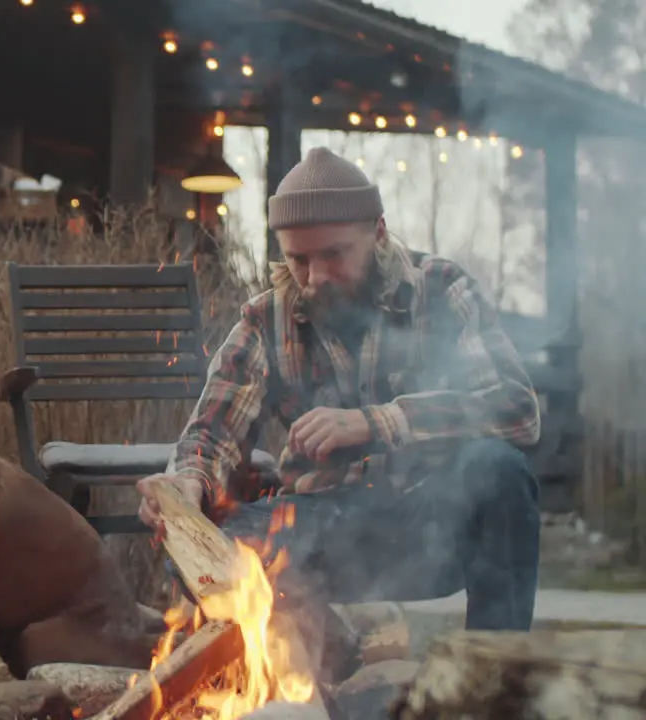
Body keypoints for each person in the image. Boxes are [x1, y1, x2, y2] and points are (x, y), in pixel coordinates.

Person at [137, 147, 542, 634]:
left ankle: (493, 675)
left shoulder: (441, 288)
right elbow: (210, 436)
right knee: (193, 544)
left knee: (501, 472)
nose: (317, 277)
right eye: (299, 259)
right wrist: (188, 486)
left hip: (430, 522)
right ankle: (316, 659)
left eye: (334, 254)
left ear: (378, 232)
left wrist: (380, 421)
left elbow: (517, 409)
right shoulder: (266, 319)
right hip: (319, 528)